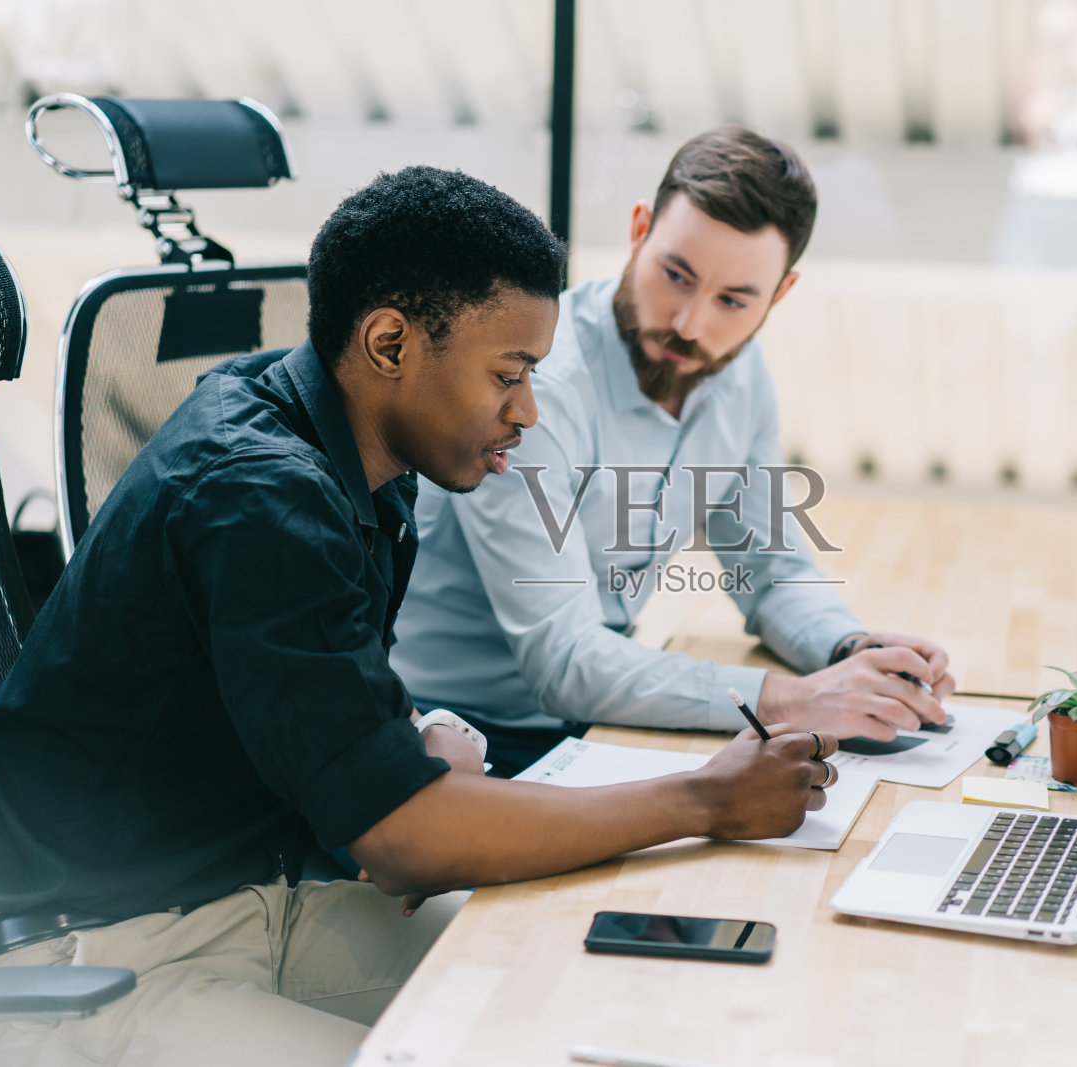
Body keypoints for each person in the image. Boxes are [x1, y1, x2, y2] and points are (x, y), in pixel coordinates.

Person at [0, 166, 835, 1067]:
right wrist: (706, 799)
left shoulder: (350, 450)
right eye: (508, 373)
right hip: (89, 965)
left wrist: (415, 737)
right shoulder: (263, 495)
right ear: (389, 345)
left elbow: (314, 698)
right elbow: (402, 839)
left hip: (248, 897)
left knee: (571, 985)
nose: (529, 409)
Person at [391, 127, 957, 776]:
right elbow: (564, 660)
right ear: (639, 231)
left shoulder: (738, 377)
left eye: (734, 300)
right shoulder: (535, 391)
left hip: (597, 719)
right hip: (458, 735)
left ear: (780, 295)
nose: (691, 324)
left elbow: (773, 568)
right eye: (676, 275)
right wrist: (795, 698)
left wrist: (851, 649)